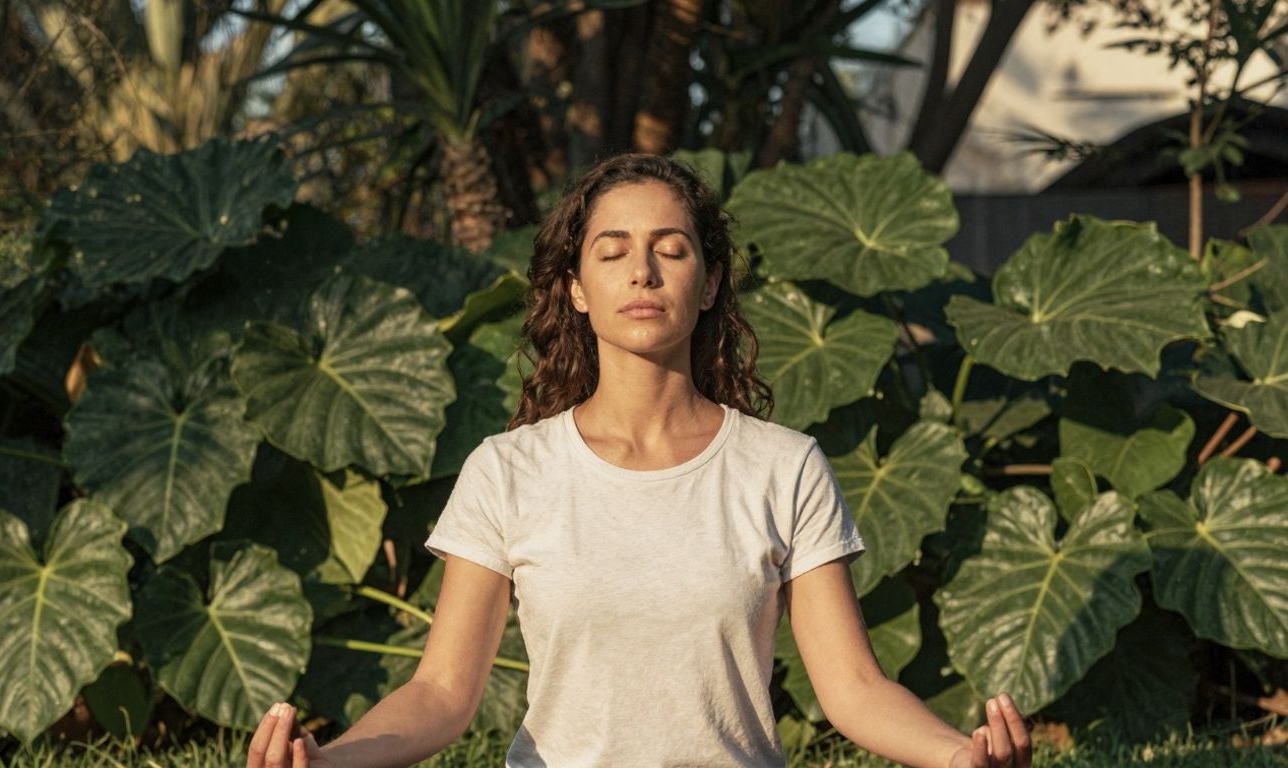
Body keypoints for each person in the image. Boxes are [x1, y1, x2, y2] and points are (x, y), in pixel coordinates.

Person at [247, 154, 1032, 768]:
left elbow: (854, 690)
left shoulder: (782, 467)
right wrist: (333, 759)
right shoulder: (507, 471)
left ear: (711, 279)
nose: (643, 272)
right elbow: (443, 692)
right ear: (578, 289)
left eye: (671, 249)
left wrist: (957, 754)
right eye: (613, 250)